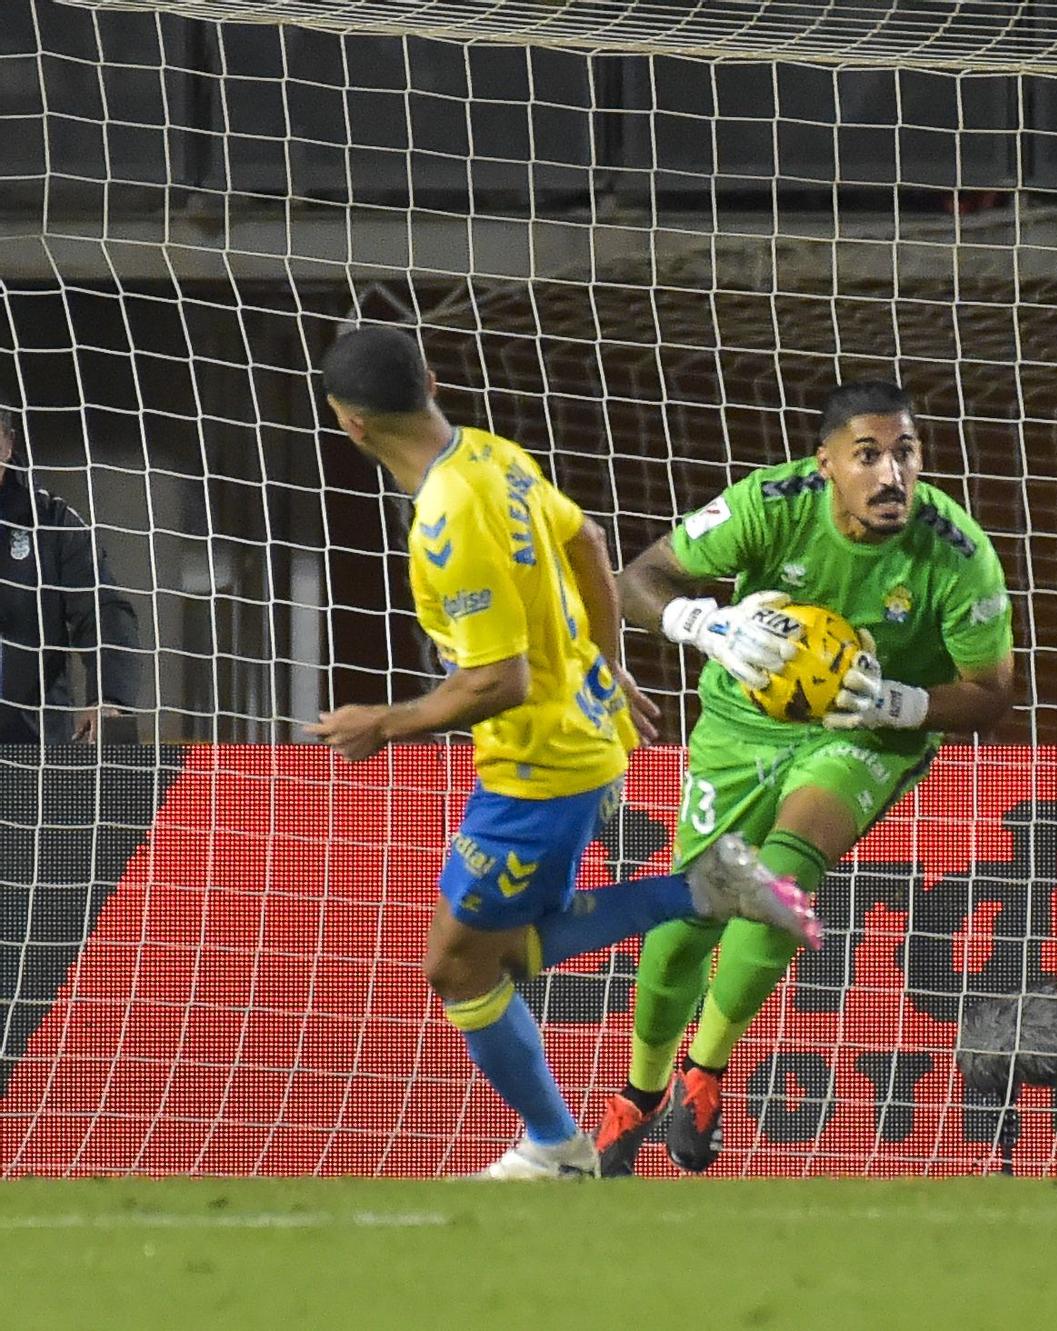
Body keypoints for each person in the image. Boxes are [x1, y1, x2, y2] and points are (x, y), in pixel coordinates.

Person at [308, 326, 822, 1179]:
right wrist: (608, 664)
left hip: (539, 763)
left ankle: (558, 1143)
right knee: (490, 953)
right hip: (572, 737)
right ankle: (700, 893)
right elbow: (587, 542)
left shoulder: (446, 520)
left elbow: (495, 682)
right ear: (431, 381)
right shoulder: (492, 456)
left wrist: (382, 723)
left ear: (349, 423)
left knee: (458, 963)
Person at [590, 378, 1015, 1176]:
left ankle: (705, 1068)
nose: (891, 474)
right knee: (685, 928)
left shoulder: (956, 553)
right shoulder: (769, 502)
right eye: (868, 456)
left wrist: (900, 699)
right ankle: (639, 1094)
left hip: (866, 734)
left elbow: (991, 694)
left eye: (906, 452)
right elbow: (636, 581)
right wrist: (703, 623)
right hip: (740, 726)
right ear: (825, 465)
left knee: (779, 884)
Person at [0, 403, 142, 744]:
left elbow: (102, 611)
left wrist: (109, 699)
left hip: (30, 751)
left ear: (6, 445)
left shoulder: (51, 522)